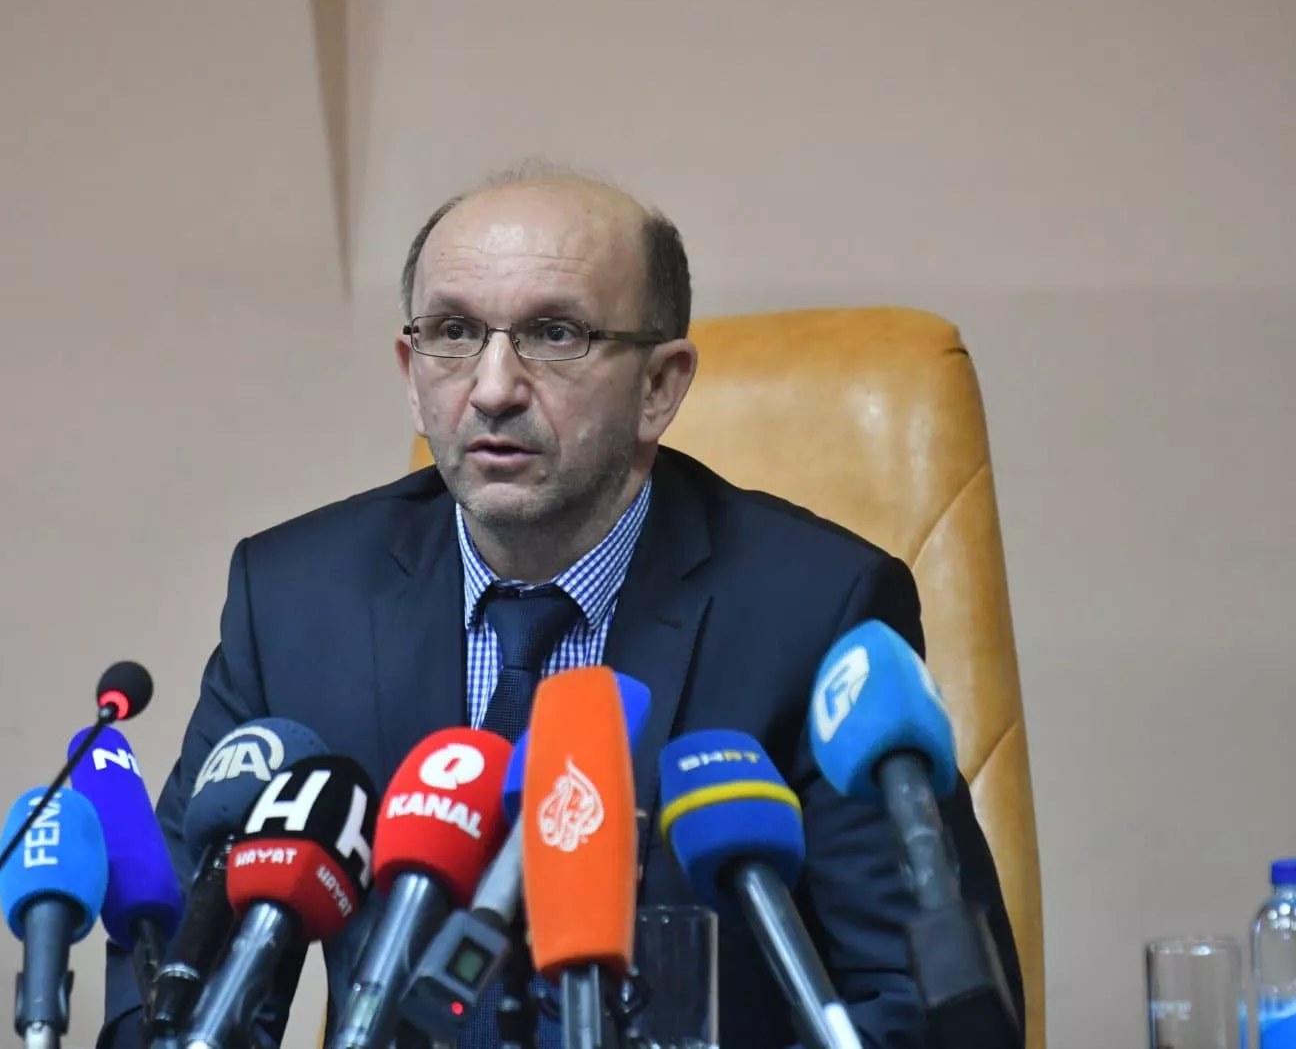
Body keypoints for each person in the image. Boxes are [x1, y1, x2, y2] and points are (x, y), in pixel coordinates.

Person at [99, 163, 1024, 1048]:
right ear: (411, 373)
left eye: (555, 334)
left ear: (660, 386)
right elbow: (171, 981)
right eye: (453, 332)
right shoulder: (296, 602)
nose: (493, 388)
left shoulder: (814, 611)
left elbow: (921, 1011)